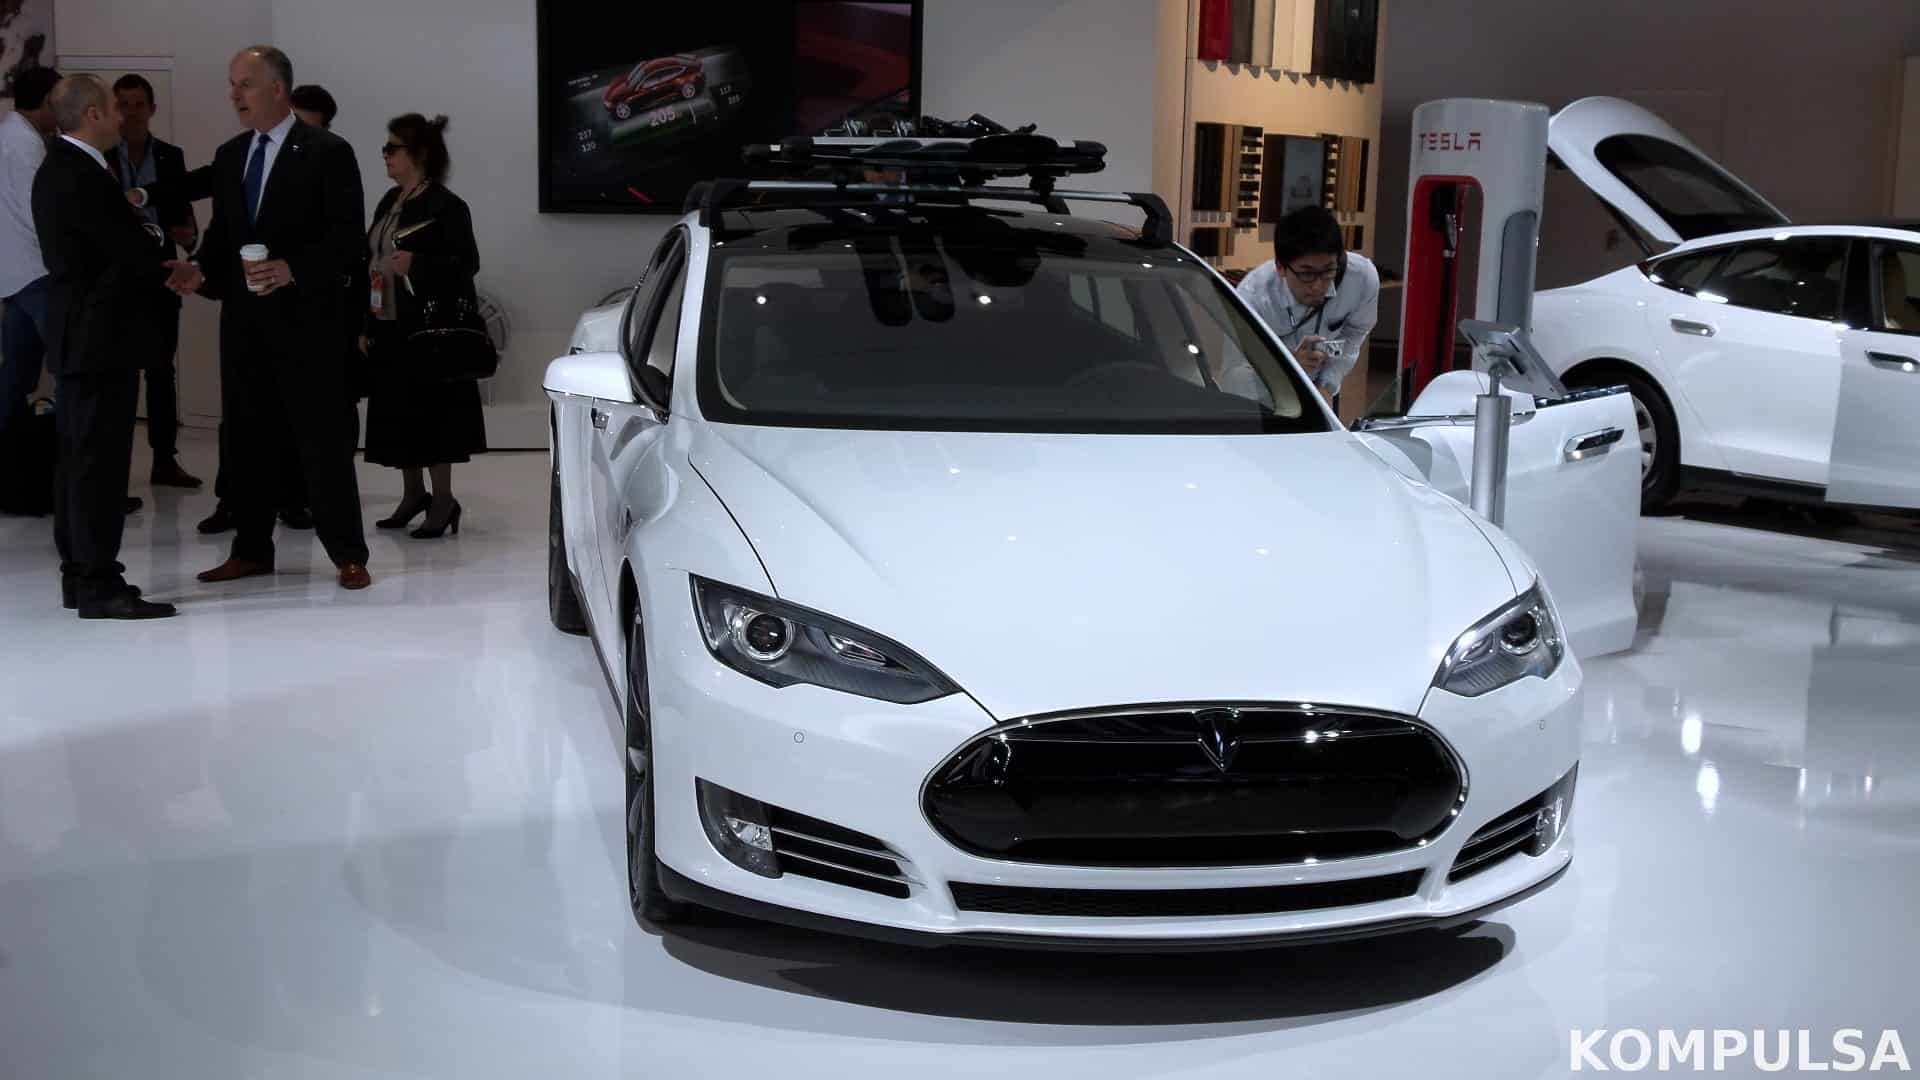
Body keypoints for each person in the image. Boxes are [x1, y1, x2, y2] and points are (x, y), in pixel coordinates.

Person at [174, 46, 372, 591]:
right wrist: (198, 271)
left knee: (322, 440)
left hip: (309, 324)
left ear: (278, 89)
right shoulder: (231, 154)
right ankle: (251, 549)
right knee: (247, 439)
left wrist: (294, 269)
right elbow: (223, 240)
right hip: (245, 326)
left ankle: (348, 554)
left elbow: (348, 240)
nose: (234, 94)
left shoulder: (328, 151)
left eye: (245, 83)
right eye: (232, 84)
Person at [32, 75, 199, 618]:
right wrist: (158, 248)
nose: (121, 117)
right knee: (98, 465)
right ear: (93, 114)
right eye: (113, 107)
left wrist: (146, 243)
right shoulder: (80, 173)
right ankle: (99, 583)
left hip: (84, 336)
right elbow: (128, 247)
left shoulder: (64, 167)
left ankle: (79, 575)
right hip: (100, 338)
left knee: (79, 462)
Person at [362, 113, 486, 538]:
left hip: (427, 329)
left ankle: (443, 499)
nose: (385, 155)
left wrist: (418, 264)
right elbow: (371, 261)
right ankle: (413, 494)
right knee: (399, 414)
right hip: (388, 322)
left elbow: (467, 263)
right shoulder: (390, 201)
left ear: (419, 153)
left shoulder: (445, 205)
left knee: (433, 414)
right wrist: (365, 322)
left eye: (392, 148)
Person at [106, 73, 203, 489]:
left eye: (138, 105)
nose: (131, 113)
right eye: (123, 104)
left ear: (152, 109)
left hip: (161, 273)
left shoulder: (169, 156)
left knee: (161, 370)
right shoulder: (101, 155)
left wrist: (190, 238)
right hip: (116, 278)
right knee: (119, 374)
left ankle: (165, 460)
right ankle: (114, 472)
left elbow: (184, 217)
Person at [1235, 205, 1381, 404]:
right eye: (1307, 274)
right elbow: (1235, 378)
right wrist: (1289, 368)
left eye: (1328, 271)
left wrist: (1327, 385)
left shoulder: (1361, 279)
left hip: (1320, 391)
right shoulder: (1252, 298)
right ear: (1280, 267)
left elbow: (1354, 333)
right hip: (1268, 399)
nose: (1319, 286)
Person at [1, 66, 60, 439]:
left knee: (15, 375)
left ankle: (9, 462)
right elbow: (40, 213)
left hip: (11, 275)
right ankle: (68, 465)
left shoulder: (6, 135)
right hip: (38, 273)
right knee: (67, 369)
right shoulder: (28, 145)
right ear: (46, 101)